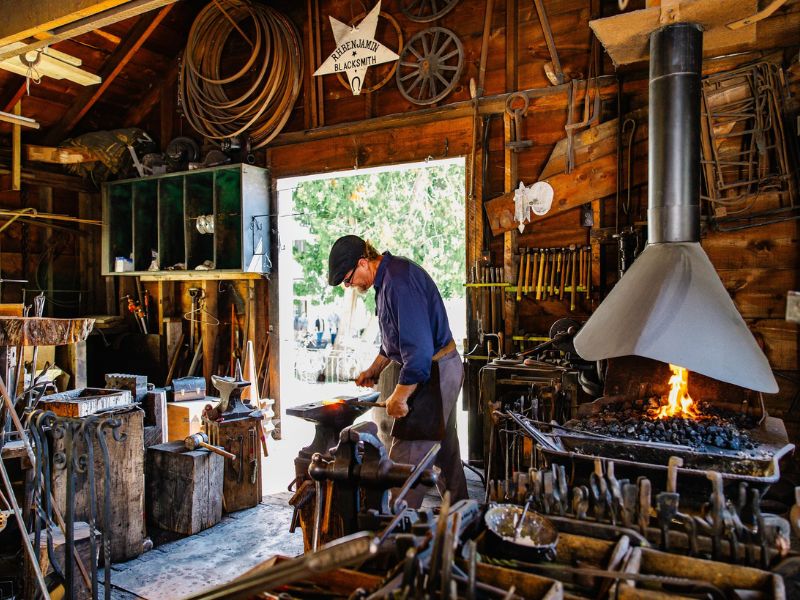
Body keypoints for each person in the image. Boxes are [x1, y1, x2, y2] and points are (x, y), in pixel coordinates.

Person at [327, 235, 468, 508]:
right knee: (445, 451)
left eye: (348, 279)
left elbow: (418, 353)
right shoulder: (387, 281)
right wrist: (374, 369)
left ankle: (392, 526)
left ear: (363, 262)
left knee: (405, 457)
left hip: (436, 372)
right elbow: (394, 343)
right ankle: (463, 513)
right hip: (436, 370)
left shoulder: (399, 283)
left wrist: (400, 397)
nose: (350, 286)